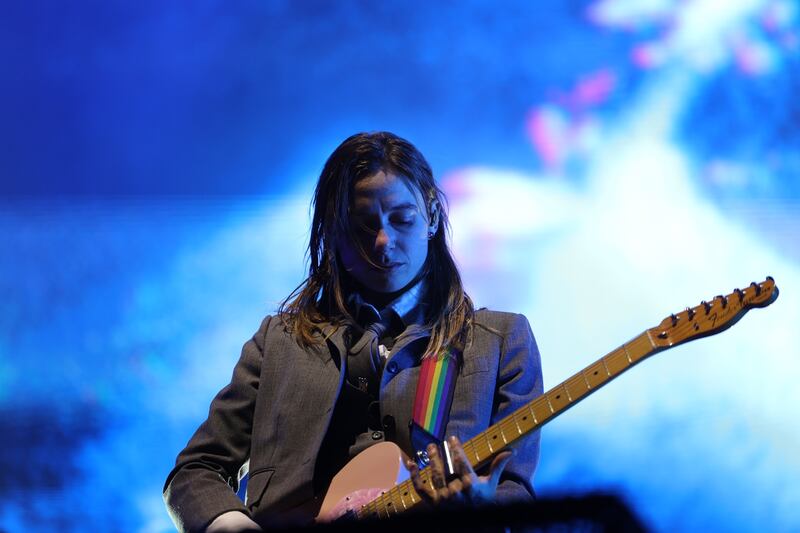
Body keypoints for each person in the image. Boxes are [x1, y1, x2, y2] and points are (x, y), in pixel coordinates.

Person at [163, 132, 544, 532]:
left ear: (431, 216)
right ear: (332, 233)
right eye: (363, 227)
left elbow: (516, 493)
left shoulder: (501, 342)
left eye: (402, 219)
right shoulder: (276, 342)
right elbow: (194, 473)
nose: (383, 243)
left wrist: (488, 514)